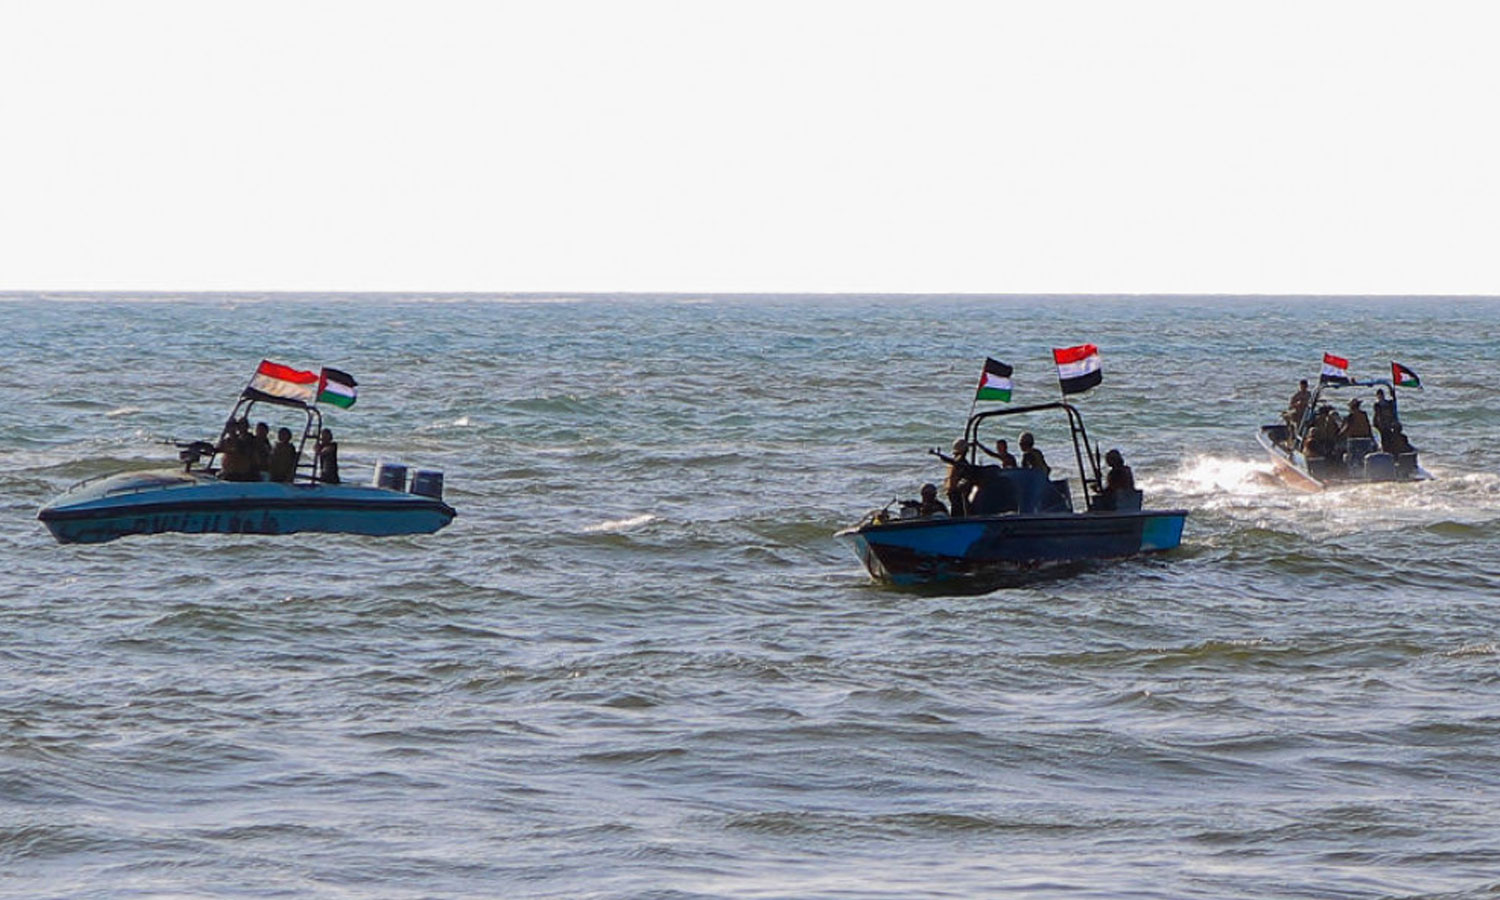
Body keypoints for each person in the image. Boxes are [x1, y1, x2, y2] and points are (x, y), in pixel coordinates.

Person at [940, 438, 978, 516]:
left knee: (956, 510)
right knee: (959, 511)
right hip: (956, 491)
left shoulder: (956, 460)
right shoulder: (960, 461)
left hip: (952, 490)